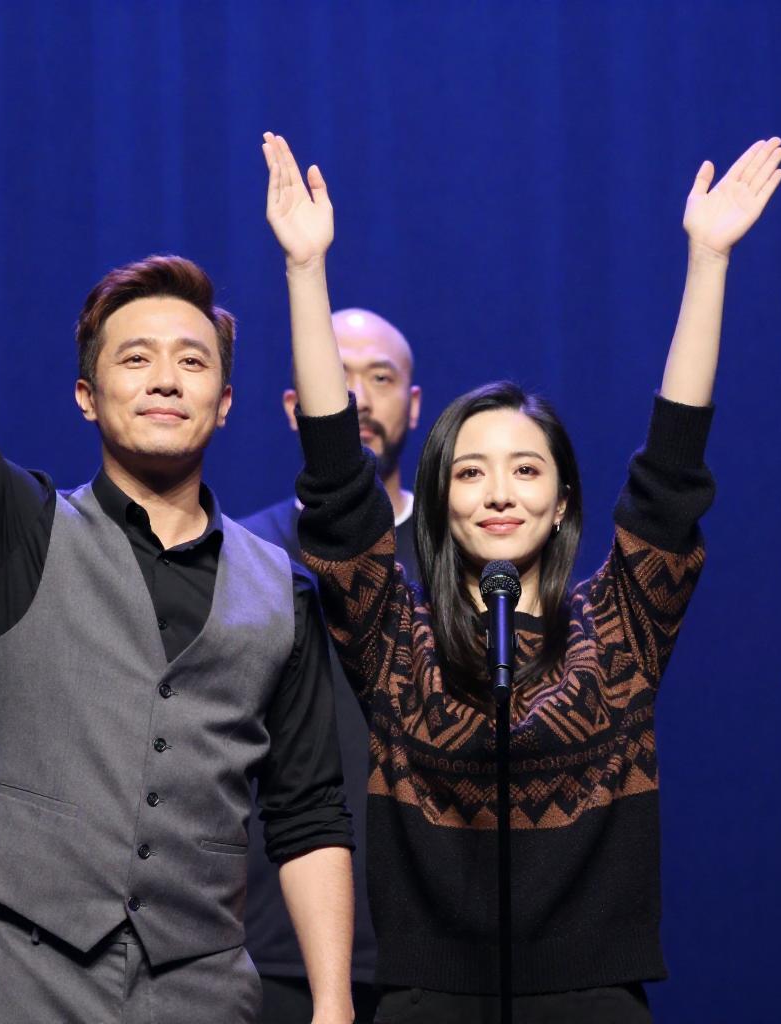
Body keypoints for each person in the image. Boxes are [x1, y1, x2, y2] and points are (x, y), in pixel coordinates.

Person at [0, 14, 356, 1024]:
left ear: (225, 403)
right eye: (135, 359)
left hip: (205, 990)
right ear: (87, 397)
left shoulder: (282, 591)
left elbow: (307, 812)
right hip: (28, 979)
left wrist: (334, 1003)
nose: (165, 379)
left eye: (192, 361)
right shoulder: (21, 532)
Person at [260, 127, 781, 1024]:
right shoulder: (398, 645)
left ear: (563, 497)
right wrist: (305, 272)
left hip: (591, 1001)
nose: (499, 492)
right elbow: (339, 489)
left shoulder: (618, 630)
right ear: (440, 499)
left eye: (526, 469)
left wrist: (709, 262)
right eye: (470, 472)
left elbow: (670, 475)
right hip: (427, 1000)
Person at [240, 309, 422, 1024]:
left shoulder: (467, 556)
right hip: (271, 941)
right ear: (296, 407)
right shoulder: (244, 555)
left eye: (381, 378)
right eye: (338, 378)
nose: (359, 400)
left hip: (433, 946)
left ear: (413, 403)